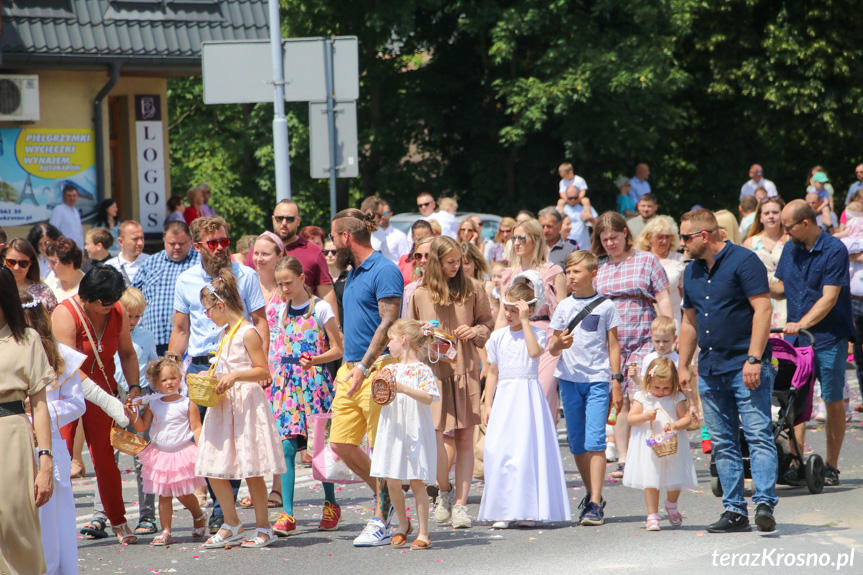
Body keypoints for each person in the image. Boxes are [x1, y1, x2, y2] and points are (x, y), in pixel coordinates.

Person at [677, 208, 777, 534]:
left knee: (757, 434)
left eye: (685, 237)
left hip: (744, 365)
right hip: (710, 367)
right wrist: (683, 364)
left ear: (704, 236)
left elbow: (763, 308)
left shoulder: (744, 261)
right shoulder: (690, 272)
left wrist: (754, 358)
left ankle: (763, 503)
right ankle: (735, 510)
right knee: (722, 442)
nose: (682, 243)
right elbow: (689, 321)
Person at [168, 217, 267, 533]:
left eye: (225, 240)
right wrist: (171, 363)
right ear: (197, 246)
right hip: (201, 367)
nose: (222, 247)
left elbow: (260, 321)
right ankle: (225, 510)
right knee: (210, 442)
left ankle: (227, 514)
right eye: (214, 243)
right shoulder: (185, 280)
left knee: (237, 441)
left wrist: (259, 365)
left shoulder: (246, 275)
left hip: (237, 364)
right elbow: (181, 329)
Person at [327, 209, 403, 547]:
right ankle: (390, 502)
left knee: (380, 447)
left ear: (346, 237)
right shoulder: (354, 272)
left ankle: (381, 518)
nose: (331, 246)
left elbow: (388, 324)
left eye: (333, 238)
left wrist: (363, 367)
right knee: (340, 442)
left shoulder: (385, 270)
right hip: (350, 369)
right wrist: (348, 366)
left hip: (377, 371)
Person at [196, 272, 286, 549]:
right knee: (212, 464)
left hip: (246, 403)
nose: (207, 315)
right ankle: (232, 522)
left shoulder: (248, 332)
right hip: (224, 404)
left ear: (220, 305)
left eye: (208, 309)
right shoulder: (224, 333)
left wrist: (234, 377)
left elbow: (263, 370)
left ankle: (263, 526)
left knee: (252, 468)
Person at [409, 236, 493, 529]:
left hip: (465, 368)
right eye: (450, 261)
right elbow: (411, 335)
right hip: (433, 372)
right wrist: (423, 335)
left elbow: (488, 324)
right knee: (436, 436)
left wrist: (474, 331)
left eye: (459, 260)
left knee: (465, 439)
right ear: (436, 262)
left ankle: (460, 504)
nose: (456, 266)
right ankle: (443, 492)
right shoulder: (419, 294)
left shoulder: (473, 288)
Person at [54, 266, 142, 543]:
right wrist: (106, 400)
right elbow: (66, 366)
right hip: (67, 392)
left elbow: (127, 354)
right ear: (88, 298)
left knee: (106, 459)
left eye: (113, 302)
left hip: (102, 390)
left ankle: (118, 520)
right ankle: (53, 523)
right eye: (105, 304)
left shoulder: (116, 311)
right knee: (62, 457)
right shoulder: (65, 313)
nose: (110, 308)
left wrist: (134, 390)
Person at [773, 200, 854, 486]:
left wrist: (802, 323)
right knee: (793, 401)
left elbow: (830, 298)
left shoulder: (834, 249)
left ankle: (831, 466)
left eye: (788, 226)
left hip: (829, 338)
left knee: (832, 400)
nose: (784, 232)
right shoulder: (790, 248)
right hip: (797, 340)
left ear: (805, 223)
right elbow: (783, 287)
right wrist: (754, 283)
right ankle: (795, 461)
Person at [479, 281, 570, 529]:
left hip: (527, 395)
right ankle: (504, 509)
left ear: (528, 310)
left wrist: (526, 322)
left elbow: (533, 353)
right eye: (506, 309)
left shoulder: (538, 332)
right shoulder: (497, 337)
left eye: (513, 310)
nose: (508, 315)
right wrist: (488, 404)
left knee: (525, 451)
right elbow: (493, 372)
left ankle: (528, 509)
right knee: (501, 450)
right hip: (505, 396)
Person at [592, 212, 673, 480]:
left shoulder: (646, 260)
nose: (610, 244)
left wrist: (669, 332)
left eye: (614, 237)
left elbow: (662, 297)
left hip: (643, 339)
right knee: (618, 399)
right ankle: (625, 458)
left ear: (625, 233)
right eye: (604, 240)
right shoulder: (600, 267)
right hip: (611, 342)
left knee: (638, 394)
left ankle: (649, 449)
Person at [268, 256, 343, 536]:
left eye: (288, 282)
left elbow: (338, 348)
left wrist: (316, 359)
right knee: (287, 447)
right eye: (279, 284)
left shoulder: (321, 309)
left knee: (318, 448)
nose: (284, 288)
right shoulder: (281, 310)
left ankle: (331, 503)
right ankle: (287, 514)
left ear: (302, 278)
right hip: (287, 384)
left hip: (314, 382)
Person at [549, 250, 623, 526]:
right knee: (577, 444)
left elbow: (613, 345)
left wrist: (617, 380)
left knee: (595, 441)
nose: (571, 277)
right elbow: (552, 346)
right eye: (568, 272)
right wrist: (560, 344)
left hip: (597, 380)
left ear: (593, 274)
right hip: (568, 379)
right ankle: (592, 491)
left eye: (576, 272)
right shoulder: (563, 307)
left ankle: (594, 503)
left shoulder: (606, 306)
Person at [21, 291, 83, 575]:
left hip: (48, 446)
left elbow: (76, 404)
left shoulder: (61, 356)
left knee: (50, 525)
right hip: (10, 442)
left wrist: (41, 411)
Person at [0, 269, 56, 575]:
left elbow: (40, 404)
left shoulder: (27, 339)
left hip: (12, 435)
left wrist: (45, 461)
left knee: (15, 521)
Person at [369, 319, 439, 549]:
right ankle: (402, 525)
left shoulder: (422, 370)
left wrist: (403, 388)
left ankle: (424, 532)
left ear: (403, 340)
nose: (388, 344)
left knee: (417, 480)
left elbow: (429, 397)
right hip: (394, 428)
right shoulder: (389, 368)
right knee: (392, 479)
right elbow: (382, 397)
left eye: (391, 339)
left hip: (415, 427)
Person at [127, 353, 207, 546]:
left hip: (182, 452)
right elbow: (141, 427)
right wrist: (133, 414)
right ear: (155, 382)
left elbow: (196, 427)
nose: (169, 382)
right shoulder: (153, 403)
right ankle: (165, 530)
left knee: (184, 493)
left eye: (173, 378)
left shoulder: (187, 402)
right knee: (164, 494)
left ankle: (198, 515)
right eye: (164, 379)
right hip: (160, 453)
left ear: (180, 378)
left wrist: (202, 449)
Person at [496, 219, 567, 417]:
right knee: (519, 398)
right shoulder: (508, 274)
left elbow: (563, 312)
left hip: (546, 334)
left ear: (536, 240)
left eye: (522, 238)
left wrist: (559, 342)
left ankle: (546, 441)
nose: (516, 242)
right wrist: (494, 343)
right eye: (514, 238)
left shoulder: (553, 271)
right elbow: (503, 314)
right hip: (516, 336)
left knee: (542, 392)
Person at [623, 357, 696, 531]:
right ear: (649, 381)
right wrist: (645, 416)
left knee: (675, 477)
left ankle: (671, 504)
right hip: (649, 446)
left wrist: (676, 425)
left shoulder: (676, 397)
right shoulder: (642, 397)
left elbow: (686, 418)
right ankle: (652, 515)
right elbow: (631, 419)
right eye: (657, 387)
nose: (662, 391)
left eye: (666, 388)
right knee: (651, 479)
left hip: (672, 443)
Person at [251, 201, 338, 316]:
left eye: (290, 219)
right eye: (279, 218)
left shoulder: (313, 251)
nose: (284, 223)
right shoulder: (258, 252)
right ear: (273, 219)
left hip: (304, 323)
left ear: (298, 221)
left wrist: (336, 327)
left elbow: (326, 292)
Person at [134, 221, 200, 356]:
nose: (177, 247)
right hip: (154, 339)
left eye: (181, 243)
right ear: (164, 241)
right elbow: (134, 297)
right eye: (172, 243)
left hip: (189, 341)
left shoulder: (201, 262)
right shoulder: (150, 262)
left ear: (191, 240)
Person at [743, 197, 787, 329]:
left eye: (775, 212)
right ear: (760, 218)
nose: (771, 216)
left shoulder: (790, 241)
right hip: (759, 295)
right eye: (767, 213)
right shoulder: (750, 243)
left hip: (785, 296)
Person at [634, 216, 685, 330]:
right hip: (644, 321)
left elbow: (685, 297)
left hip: (673, 321)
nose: (664, 241)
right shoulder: (638, 259)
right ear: (649, 237)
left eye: (668, 237)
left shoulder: (679, 260)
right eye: (660, 237)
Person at [6, 238, 58, 313]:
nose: (16, 267)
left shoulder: (45, 292)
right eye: (11, 262)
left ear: (30, 264)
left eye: (23, 263)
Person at [629, 316, 680, 390]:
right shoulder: (648, 359)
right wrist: (635, 377)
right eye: (657, 341)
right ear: (652, 337)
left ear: (674, 339)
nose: (661, 345)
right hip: (652, 400)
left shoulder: (678, 360)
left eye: (666, 341)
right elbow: (644, 387)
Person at [106, 220, 150, 286]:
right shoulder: (109, 266)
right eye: (135, 239)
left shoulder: (152, 263)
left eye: (142, 238)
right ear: (121, 241)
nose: (140, 243)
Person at [45, 237, 85, 303]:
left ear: (69, 263)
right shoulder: (50, 280)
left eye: (53, 262)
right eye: (49, 261)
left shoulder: (86, 287)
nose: (49, 266)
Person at [558, 185, 597, 250]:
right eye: (570, 198)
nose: (573, 200)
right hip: (565, 248)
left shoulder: (586, 208)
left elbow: (599, 225)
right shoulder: (560, 209)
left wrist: (591, 218)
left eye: (575, 198)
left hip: (584, 249)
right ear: (565, 197)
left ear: (579, 196)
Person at [402, 237, 433, 317]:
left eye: (428, 255)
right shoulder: (409, 290)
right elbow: (406, 322)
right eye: (418, 256)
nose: (423, 260)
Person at [253, 232, 285, 306]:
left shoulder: (287, 287)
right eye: (256, 253)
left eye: (265, 254)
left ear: (280, 256)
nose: (259, 259)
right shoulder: (248, 284)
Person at [50, 184, 84, 251]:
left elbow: (79, 234)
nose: (72, 198)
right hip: (64, 251)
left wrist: (82, 250)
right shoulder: (59, 210)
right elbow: (53, 231)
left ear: (77, 197)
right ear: (63, 197)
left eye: (74, 196)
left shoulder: (76, 212)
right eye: (69, 196)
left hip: (77, 251)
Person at [400, 220, 434, 284]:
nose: (423, 242)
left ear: (433, 235)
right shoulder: (404, 260)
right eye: (419, 239)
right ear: (412, 238)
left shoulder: (440, 259)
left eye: (427, 238)